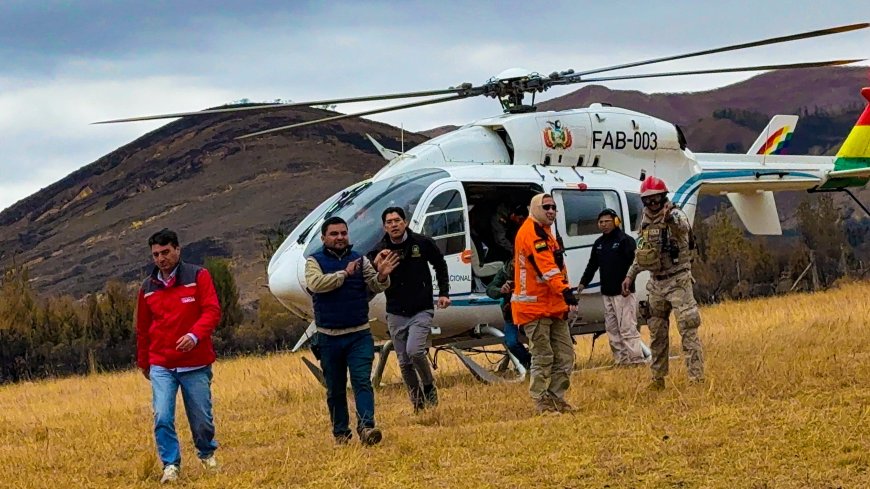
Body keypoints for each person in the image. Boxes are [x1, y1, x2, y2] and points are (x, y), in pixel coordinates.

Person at [135, 228, 221, 484]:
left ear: (177, 250)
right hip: (161, 363)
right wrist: (144, 362)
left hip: (195, 362)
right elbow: (142, 328)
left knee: (202, 419)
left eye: (165, 252)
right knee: (162, 415)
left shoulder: (198, 276)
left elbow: (212, 311)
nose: (161, 259)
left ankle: (206, 454)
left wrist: (194, 335)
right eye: (156, 254)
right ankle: (170, 465)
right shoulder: (147, 287)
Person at [305, 216, 399, 446]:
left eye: (343, 233)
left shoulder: (360, 260)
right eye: (334, 234)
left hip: (359, 333)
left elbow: (374, 285)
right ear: (323, 238)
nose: (340, 238)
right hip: (329, 337)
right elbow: (316, 284)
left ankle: (367, 428)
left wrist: (383, 275)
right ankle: (341, 434)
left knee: (362, 382)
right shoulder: (313, 262)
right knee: (335, 389)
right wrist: (344, 274)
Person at [622, 176, 703, 390]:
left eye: (656, 198)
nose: (653, 203)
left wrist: (670, 220)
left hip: (678, 281)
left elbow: (683, 228)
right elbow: (642, 253)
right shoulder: (645, 222)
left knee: (688, 329)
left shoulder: (675, 215)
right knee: (657, 333)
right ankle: (657, 379)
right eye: (648, 199)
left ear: (663, 196)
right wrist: (630, 276)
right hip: (656, 284)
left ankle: (696, 378)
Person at [368, 206, 450, 413]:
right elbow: (369, 271)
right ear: (384, 226)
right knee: (404, 361)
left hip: (421, 308)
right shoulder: (381, 249)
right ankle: (417, 402)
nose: (394, 225)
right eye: (389, 222)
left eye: (397, 220)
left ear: (405, 222)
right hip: (395, 310)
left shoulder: (421, 243)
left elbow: (440, 264)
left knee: (415, 351)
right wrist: (376, 264)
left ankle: (429, 385)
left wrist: (443, 292)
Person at [512, 194, 579, 414]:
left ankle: (556, 398)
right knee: (543, 356)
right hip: (534, 308)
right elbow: (547, 268)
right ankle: (541, 401)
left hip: (553, 306)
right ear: (535, 208)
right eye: (546, 207)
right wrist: (567, 292)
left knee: (566, 355)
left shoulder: (546, 232)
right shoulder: (532, 233)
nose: (551, 211)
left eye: (553, 208)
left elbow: (555, 269)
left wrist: (563, 295)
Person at [578, 208, 647, 367]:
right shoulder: (599, 243)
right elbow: (592, 265)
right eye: (601, 222)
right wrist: (583, 283)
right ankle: (621, 361)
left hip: (623, 293)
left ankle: (636, 360)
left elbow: (635, 265)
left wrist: (629, 283)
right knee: (612, 329)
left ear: (616, 221)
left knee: (627, 328)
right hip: (607, 293)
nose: (604, 225)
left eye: (607, 221)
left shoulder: (625, 240)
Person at [485, 259, 532, 369]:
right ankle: (528, 363)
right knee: (511, 343)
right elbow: (490, 289)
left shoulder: (531, 269)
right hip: (511, 316)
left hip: (530, 314)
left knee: (538, 340)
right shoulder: (504, 271)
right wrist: (501, 290)